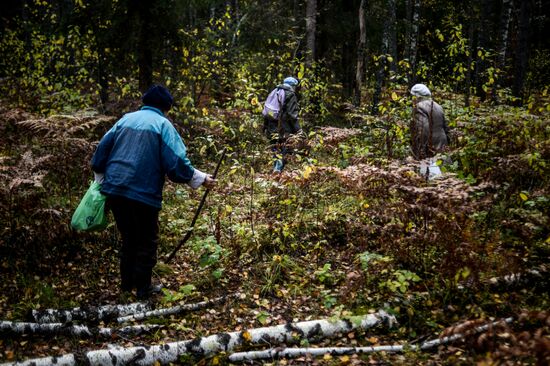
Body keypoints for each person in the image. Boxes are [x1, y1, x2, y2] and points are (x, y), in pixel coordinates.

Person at [91, 84, 216, 300]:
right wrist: (201, 178)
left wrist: (102, 180)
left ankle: (125, 287)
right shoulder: (162, 125)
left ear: (145, 102)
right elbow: (176, 163)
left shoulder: (124, 120)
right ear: (166, 107)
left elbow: (100, 153)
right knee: (147, 240)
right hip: (143, 193)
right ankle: (143, 291)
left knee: (129, 238)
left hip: (115, 190)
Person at [262, 77, 303, 173]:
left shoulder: (275, 91)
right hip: (284, 127)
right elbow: (292, 115)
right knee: (286, 148)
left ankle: (275, 169)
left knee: (275, 147)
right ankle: (278, 170)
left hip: (271, 125)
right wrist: (298, 130)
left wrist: (265, 126)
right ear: (293, 86)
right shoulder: (290, 94)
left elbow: (267, 109)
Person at [409, 83, 450, 160]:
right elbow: (446, 127)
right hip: (442, 142)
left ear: (417, 96)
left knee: (428, 169)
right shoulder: (438, 106)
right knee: (443, 169)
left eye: (413, 96)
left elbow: (423, 130)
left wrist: (421, 149)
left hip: (430, 146)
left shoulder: (419, 107)